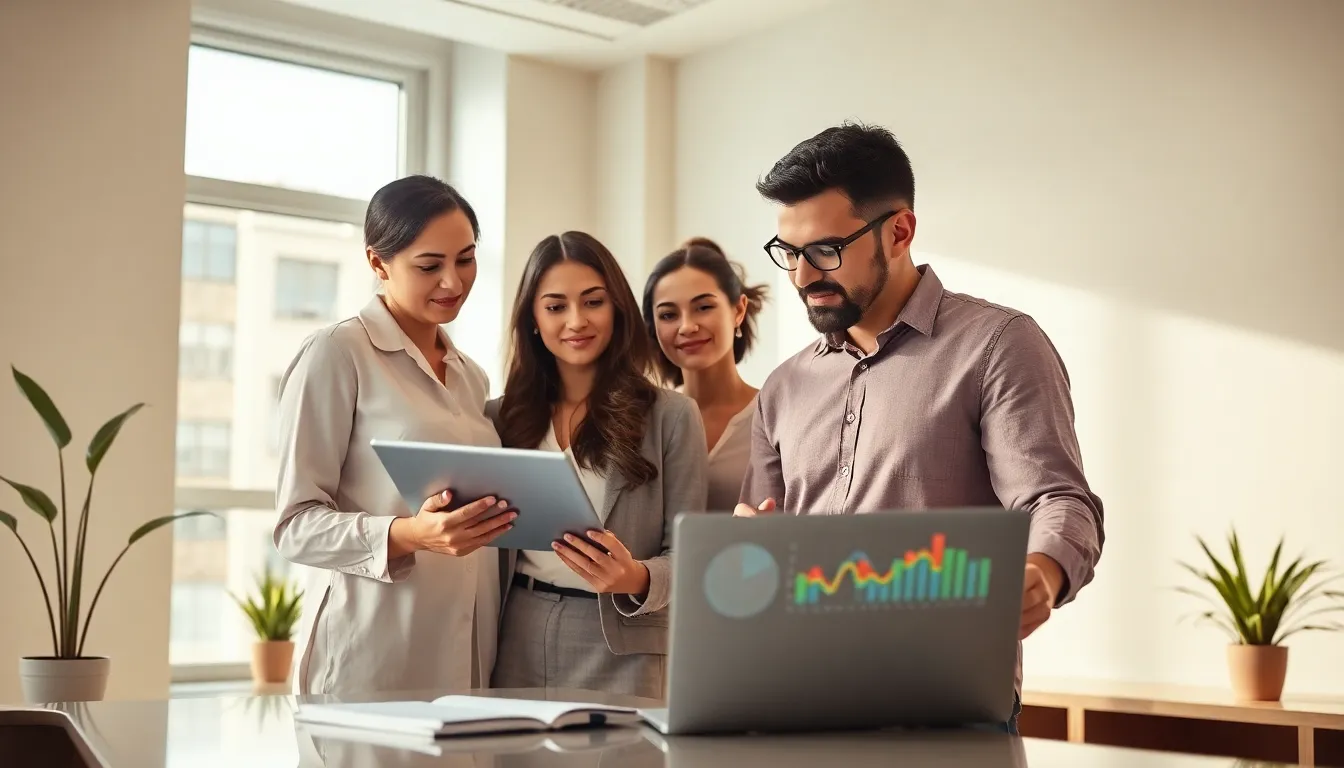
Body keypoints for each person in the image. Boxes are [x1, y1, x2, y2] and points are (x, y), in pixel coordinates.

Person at [736, 123, 1105, 734]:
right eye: (789, 253)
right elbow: (759, 535)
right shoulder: (783, 387)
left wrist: (1042, 570)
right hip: (799, 698)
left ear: (900, 232)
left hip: (943, 709)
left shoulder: (997, 346)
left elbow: (1058, 498)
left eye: (825, 252)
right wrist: (751, 550)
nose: (802, 277)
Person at [274, 175, 517, 695]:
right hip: (371, 653)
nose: (453, 282)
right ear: (378, 264)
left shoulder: (471, 375)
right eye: (429, 266)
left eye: (466, 259)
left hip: (467, 657)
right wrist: (410, 534)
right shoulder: (337, 354)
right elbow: (294, 525)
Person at [488, 231, 708, 699]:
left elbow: (690, 554)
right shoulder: (499, 417)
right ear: (532, 317)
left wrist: (636, 577)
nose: (576, 321)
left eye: (593, 302)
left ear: (618, 309)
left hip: (622, 641)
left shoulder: (670, 416)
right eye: (555, 306)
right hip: (517, 634)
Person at [642, 237, 768, 511]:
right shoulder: (644, 422)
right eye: (668, 315)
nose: (687, 326)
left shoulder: (774, 417)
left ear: (738, 310)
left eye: (703, 307)